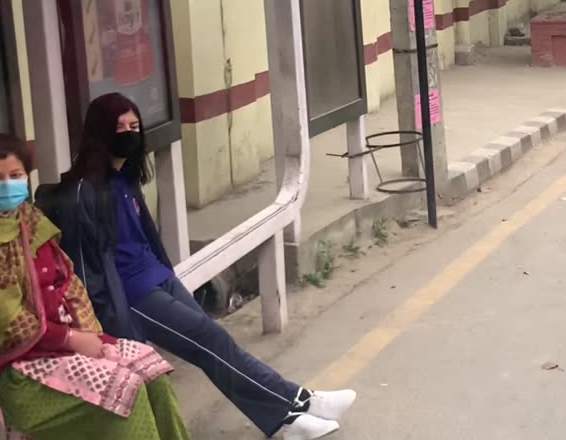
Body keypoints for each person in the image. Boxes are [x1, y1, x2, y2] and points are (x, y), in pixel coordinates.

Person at [38, 92, 355, 440]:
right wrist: (106, 325)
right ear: (100, 134)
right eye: (119, 127)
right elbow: (86, 269)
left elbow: (144, 240)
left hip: (159, 279)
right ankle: (289, 414)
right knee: (212, 340)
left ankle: (298, 402)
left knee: (216, 346)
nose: (129, 133)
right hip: (133, 295)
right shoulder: (83, 191)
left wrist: (166, 273)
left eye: (134, 126)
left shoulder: (125, 179)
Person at [0, 133, 191, 440]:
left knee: (154, 376)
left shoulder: (29, 218)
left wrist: (90, 339)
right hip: (18, 367)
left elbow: (69, 283)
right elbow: (5, 322)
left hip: (69, 346)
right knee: (126, 396)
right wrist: (72, 340)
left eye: (16, 175)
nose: (7, 184)